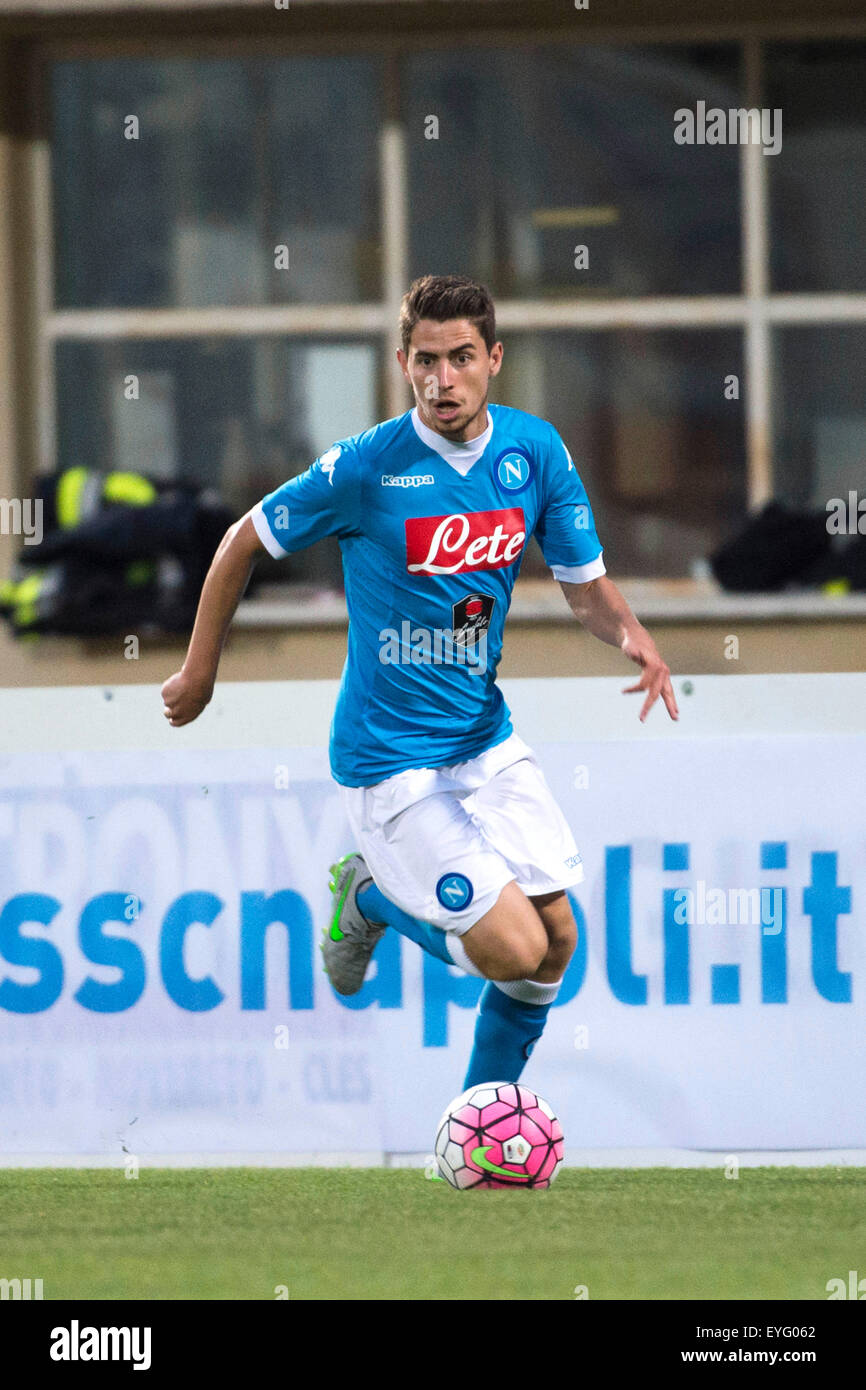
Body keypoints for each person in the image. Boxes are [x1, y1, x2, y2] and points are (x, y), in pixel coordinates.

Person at [162, 273, 678, 1090]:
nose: (444, 380)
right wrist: (199, 672)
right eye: (427, 361)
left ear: (494, 360)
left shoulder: (533, 452)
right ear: (404, 362)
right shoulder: (366, 469)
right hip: (389, 761)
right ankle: (366, 896)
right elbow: (241, 541)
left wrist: (634, 638)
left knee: (558, 944)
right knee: (508, 948)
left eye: (462, 358)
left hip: (482, 740)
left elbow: (584, 587)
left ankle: (481, 1130)